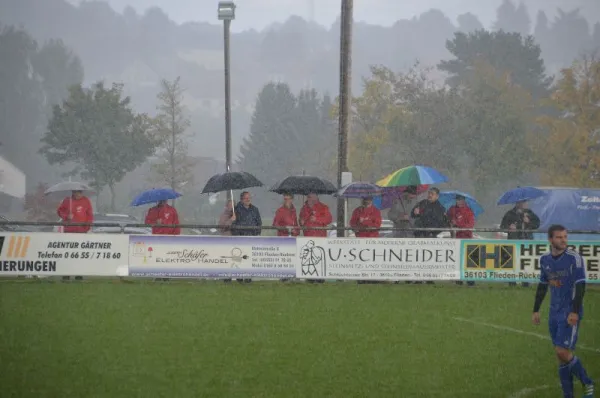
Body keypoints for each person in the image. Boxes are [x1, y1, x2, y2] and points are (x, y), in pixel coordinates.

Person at [532, 225, 594, 398]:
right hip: (554, 312)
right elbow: (542, 285)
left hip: (569, 312)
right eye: (559, 237)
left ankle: (587, 382)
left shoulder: (574, 258)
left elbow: (581, 285)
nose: (564, 240)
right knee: (560, 356)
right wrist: (536, 309)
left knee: (562, 352)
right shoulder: (544, 259)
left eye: (565, 237)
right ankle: (568, 395)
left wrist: (574, 312)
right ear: (550, 239)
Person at [501, 200, 540, 287]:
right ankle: (512, 282)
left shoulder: (530, 213)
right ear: (516, 203)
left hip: (527, 242)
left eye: (523, 202)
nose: (522, 204)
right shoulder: (509, 214)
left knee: (525, 262)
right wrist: (509, 227)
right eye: (519, 202)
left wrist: (528, 222)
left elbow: (537, 224)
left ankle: (526, 282)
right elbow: (502, 227)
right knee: (513, 261)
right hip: (513, 242)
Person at [57, 190, 93, 281]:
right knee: (67, 253)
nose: (78, 194)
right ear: (72, 192)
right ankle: (66, 274)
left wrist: (86, 228)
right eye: (76, 192)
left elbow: (89, 216)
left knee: (80, 254)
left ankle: (79, 274)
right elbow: (59, 211)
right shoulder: (67, 200)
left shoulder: (86, 201)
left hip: (81, 232)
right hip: (68, 231)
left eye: (79, 192)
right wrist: (66, 216)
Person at [299, 193, 332, 283]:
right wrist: (301, 221)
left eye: (311, 196)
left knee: (319, 259)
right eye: (308, 196)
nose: (309, 197)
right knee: (308, 259)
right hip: (308, 238)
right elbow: (301, 221)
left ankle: (320, 278)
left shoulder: (324, 207)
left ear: (316, 196)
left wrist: (317, 219)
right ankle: (310, 278)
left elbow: (329, 219)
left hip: (320, 238)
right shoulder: (304, 208)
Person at [232, 191, 262, 283]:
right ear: (242, 199)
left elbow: (259, 223)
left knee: (249, 258)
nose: (248, 199)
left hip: (251, 237)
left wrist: (256, 232)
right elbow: (233, 224)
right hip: (240, 238)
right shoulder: (236, 209)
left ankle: (248, 276)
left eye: (249, 197)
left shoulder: (255, 209)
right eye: (246, 198)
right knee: (239, 258)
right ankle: (239, 276)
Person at [447, 194, 476, 286]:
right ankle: (458, 280)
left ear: (464, 201)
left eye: (461, 199)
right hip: (455, 239)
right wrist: (450, 222)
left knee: (468, 260)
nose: (459, 201)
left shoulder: (469, 211)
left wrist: (458, 224)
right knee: (457, 260)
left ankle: (470, 280)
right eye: (457, 199)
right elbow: (448, 220)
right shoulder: (452, 210)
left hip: (466, 239)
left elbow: (470, 225)